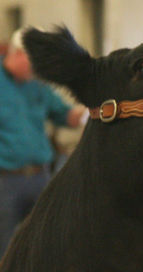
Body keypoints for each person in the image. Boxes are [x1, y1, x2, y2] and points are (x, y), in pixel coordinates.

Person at [0, 28, 86, 255]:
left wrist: (88, 110)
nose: (37, 69)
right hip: (6, 181)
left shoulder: (37, 84)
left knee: (45, 243)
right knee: (6, 248)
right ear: (17, 54)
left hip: (40, 177)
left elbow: (64, 115)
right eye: (33, 62)